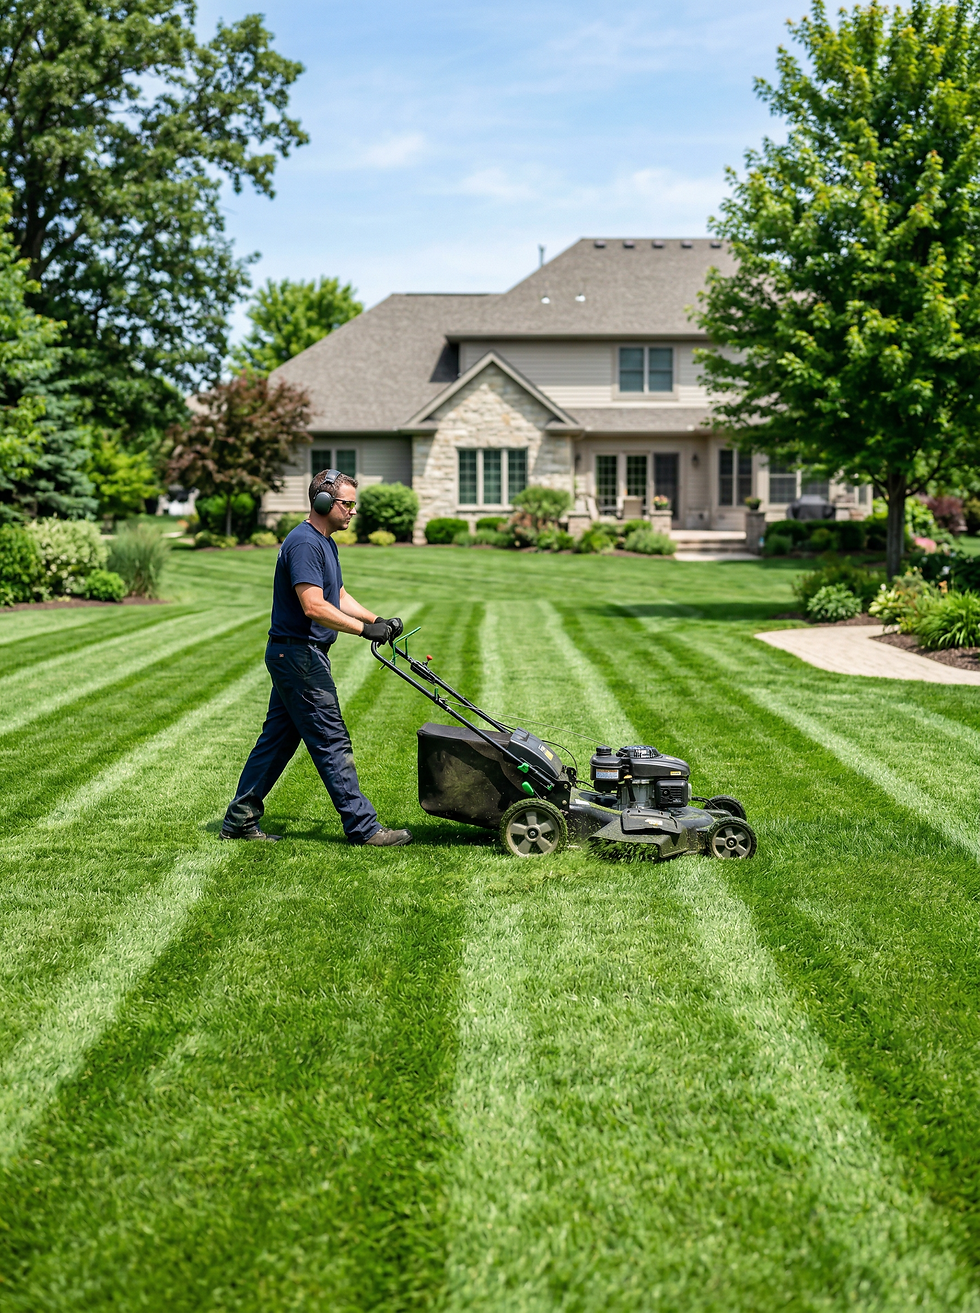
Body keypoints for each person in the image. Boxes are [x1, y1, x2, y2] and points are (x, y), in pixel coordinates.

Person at [220, 468, 412, 846]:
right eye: (347, 504)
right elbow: (313, 605)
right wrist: (361, 631)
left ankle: (239, 820)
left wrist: (377, 620)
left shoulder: (324, 541)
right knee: (331, 739)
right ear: (323, 502)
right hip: (298, 656)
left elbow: (336, 594)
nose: (353, 511)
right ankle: (363, 827)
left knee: (276, 742)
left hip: (296, 654)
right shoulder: (304, 543)